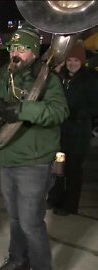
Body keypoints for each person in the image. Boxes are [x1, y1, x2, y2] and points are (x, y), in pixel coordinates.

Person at [0, 26, 69, 270]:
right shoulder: (3, 76)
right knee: (14, 218)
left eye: (22, 49)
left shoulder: (46, 79)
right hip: (8, 157)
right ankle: (18, 260)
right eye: (13, 48)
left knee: (31, 223)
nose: (15, 53)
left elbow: (59, 111)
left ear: (33, 52)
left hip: (34, 161)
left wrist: (22, 110)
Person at [48, 41, 98, 216]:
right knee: (58, 167)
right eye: (70, 60)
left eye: (76, 60)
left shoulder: (90, 78)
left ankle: (70, 205)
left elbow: (95, 105)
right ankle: (55, 198)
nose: (72, 64)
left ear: (82, 61)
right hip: (61, 133)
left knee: (73, 170)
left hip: (78, 134)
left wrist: (78, 113)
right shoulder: (60, 77)